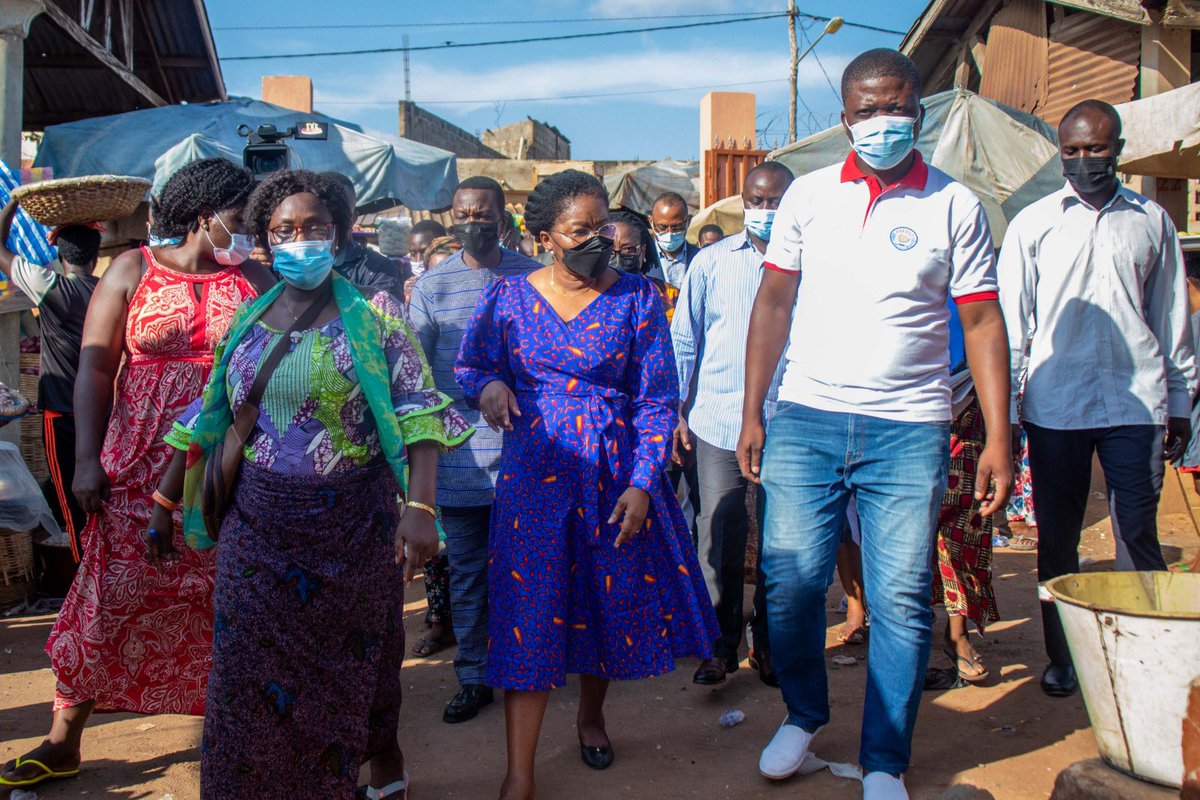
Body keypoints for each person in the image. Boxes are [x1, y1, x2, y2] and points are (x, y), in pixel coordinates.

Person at [737, 49, 1013, 799]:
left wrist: (997, 434)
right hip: (805, 417)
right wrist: (752, 410)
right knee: (792, 584)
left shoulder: (955, 205)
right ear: (846, 119)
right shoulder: (809, 198)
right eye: (867, 111)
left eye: (897, 108)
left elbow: (984, 322)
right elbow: (772, 306)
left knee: (899, 594)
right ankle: (803, 714)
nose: (882, 123)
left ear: (918, 112)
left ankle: (885, 758)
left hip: (908, 427)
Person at [161, 169, 471, 800]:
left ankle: (373, 768)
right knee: (245, 679)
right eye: (284, 230)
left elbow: (419, 412)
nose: (299, 240)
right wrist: (167, 499)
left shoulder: (375, 316)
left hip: (352, 527)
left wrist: (419, 507)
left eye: (313, 228)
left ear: (337, 233)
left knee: (352, 667)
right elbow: (210, 413)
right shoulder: (245, 321)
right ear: (265, 239)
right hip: (257, 528)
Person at [0, 158, 274, 791]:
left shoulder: (255, 277)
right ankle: (63, 740)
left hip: (225, 474)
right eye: (239, 219)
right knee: (110, 598)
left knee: (226, 602)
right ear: (206, 217)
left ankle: (237, 738)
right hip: (134, 467)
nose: (248, 232)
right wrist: (86, 460)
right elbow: (95, 369)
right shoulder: (132, 270)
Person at [454, 169, 717, 800]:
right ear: (546, 236)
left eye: (602, 226)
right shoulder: (507, 299)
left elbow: (656, 400)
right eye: (581, 230)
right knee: (529, 611)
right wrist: (489, 386)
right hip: (533, 480)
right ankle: (519, 774)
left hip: (611, 474)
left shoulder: (638, 299)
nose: (597, 238)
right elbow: (471, 364)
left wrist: (645, 483)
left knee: (603, 603)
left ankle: (591, 716)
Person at [999, 99, 1197, 699]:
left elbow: (1171, 318)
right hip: (1055, 407)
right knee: (1058, 539)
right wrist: (1007, 416)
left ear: (1119, 148)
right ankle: (1066, 657)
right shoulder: (1033, 224)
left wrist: (1182, 403)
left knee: (1137, 534)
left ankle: (1146, 653)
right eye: (1072, 151)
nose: (1084, 161)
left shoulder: (1152, 222)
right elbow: (1013, 326)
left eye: (1096, 149)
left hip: (1137, 405)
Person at [409, 175, 540, 724]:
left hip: (531, 453)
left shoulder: (535, 277)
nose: (473, 223)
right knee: (467, 571)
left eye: (483, 213)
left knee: (530, 568)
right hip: (461, 459)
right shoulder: (431, 288)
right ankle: (474, 674)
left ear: (503, 215)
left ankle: (529, 665)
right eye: (463, 214)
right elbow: (414, 376)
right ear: (452, 217)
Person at [671, 161, 794, 689]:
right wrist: (676, 409)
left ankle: (768, 644)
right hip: (717, 421)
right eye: (756, 202)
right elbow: (684, 342)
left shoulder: (812, 262)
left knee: (781, 540)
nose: (765, 211)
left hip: (790, 421)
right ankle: (719, 646)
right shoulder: (712, 263)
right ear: (744, 202)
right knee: (718, 534)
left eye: (775, 202)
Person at [0, 203, 100, 558]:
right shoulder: (110, 292)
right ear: (97, 253)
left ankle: (82, 580)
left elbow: (1, 248)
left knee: (72, 505)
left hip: (63, 412)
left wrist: (13, 203)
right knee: (105, 500)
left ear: (59, 253)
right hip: (106, 412)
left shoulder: (50, 287)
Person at [325, 172, 404, 297]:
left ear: (354, 218)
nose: (332, 221)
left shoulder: (380, 269)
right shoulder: (291, 264)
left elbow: (387, 314)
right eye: (324, 212)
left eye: (341, 214)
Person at [609, 209, 678, 321]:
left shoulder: (668, 296)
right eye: (609, 251)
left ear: (643, 251)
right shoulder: (585, 297)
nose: (618, 260)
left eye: (628, 250)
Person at [650, 192, 698, 289]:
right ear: (651, 222)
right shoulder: (642, 260)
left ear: (688, 221)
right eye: (662, 227)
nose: (669, 233)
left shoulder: (700, 258)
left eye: (677, 227)